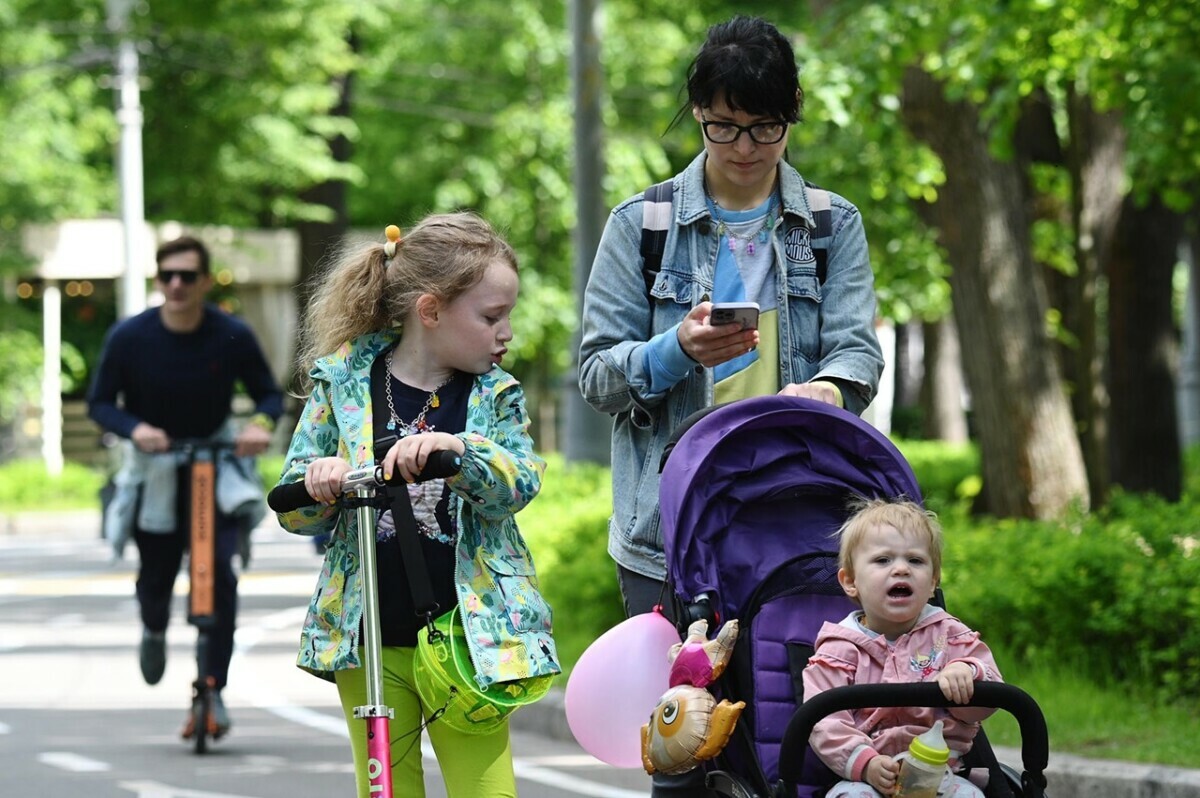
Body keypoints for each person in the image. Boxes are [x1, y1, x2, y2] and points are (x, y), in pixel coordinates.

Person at [578, 16, 883, 794]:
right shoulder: (640, 227)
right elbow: (596, 375)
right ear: (697, 114)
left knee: (801, 737)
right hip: (669, 532)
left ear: (792, 115)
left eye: (765, 127)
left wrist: (829, 390)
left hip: (798, 520)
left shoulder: (828, 223)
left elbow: (857, 351)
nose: (745, 148)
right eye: (723, 127)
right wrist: (675, 349)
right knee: (683, 753)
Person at [273, 212, 559, 798]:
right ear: (430, 311)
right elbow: (293, 506)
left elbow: (519, 483)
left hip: (470, 638)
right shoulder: (344, 382)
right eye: (491, 316)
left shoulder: (493, 395)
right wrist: (320, 479)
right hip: (369, 635)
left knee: (488, 790)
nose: (506, 332)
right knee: (386, 790)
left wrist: (461, 451)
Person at [87, 234, 284, 736]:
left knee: (219, 573)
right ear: (159, 279)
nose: (177, 285)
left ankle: (212, 687)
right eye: (168, 276)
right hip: (155, 469)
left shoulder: (229, 333)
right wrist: (136, 430)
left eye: (187, 276)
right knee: (156, 579)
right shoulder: (130, 337)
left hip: (211, 468)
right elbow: (100, 403)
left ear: (203, 282)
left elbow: (268, 394)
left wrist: (258, 425)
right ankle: (153, 628)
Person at [802, 498, 1003, 797]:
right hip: (867, 777)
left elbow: (988, 701)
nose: (901, 569)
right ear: (850, 581)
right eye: (883, 560)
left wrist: (968, 672)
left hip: (940, 776)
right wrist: (865, 763)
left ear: (933, 581)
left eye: (915, 560)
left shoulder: (949, 636)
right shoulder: (838, 650)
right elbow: (825, 722)